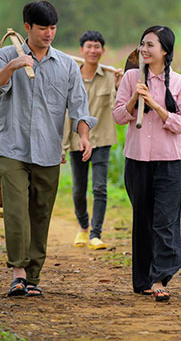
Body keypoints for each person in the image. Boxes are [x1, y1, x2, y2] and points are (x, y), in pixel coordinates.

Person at [0, 0, 97, 298]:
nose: (49, 33)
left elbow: (79, 107)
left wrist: (83, 135)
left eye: (53, 27)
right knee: (17, 210)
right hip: (12, 147)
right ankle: (18, 273)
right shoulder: (7, 53)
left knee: (40, 212)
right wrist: (12, 66)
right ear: (27, 28)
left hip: (49, 150)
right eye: (42, 28)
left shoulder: (66, 66)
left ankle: (33, 277)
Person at [112, 26, 181, 302]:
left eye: (150, 45)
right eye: (142, 45)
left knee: (165, 221)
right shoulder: (131, 77)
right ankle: (143, 279)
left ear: (165, 51)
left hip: (170, 162)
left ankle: (160, 278)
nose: (144, 50)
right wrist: (135, 97)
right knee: (143, 220)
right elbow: (119, 116)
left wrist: (156, 106)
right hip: (137, 160)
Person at [63, 30, 123, 250]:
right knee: (79, 189)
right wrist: (62, 144)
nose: (93, 50)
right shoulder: (71, 76)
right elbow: (63, 111)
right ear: (81, 50)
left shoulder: (109, 76)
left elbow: (120, 108)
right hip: (77, 140)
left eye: (97, 46)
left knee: (100, 188)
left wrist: (119, 84)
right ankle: (83, 227)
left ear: (103, 51)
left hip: (102, 139)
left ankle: (95, 234)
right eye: (89, 46)